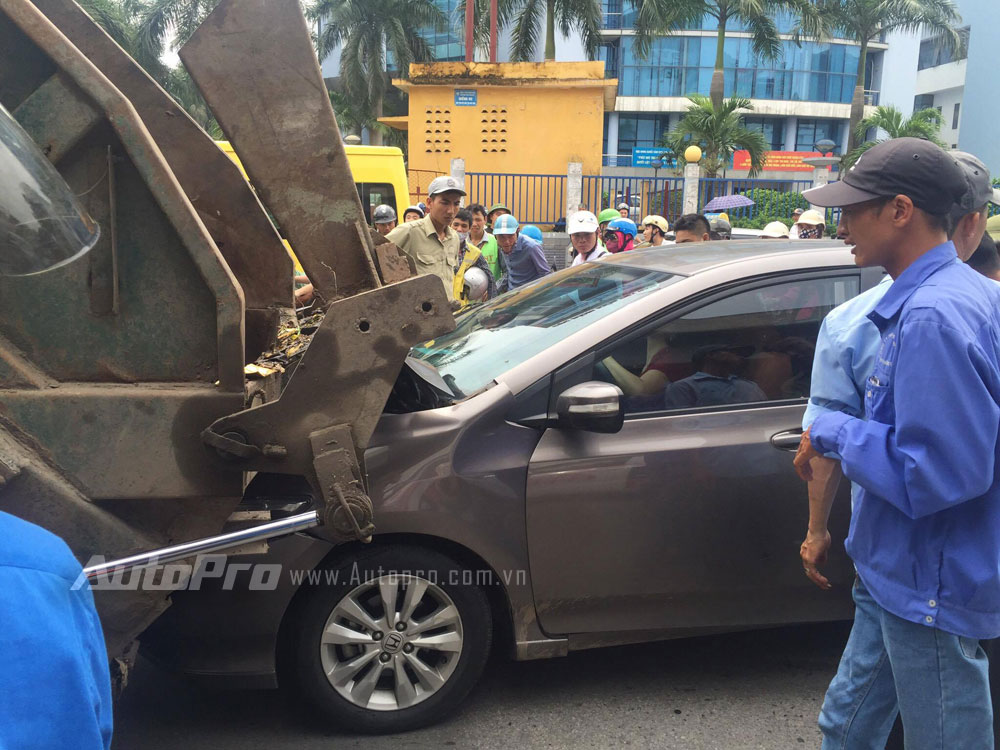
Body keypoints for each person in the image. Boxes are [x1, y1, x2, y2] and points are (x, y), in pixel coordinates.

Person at [792, 137, 1000, 749]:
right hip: (896, 570)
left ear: (901, 211)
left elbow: (937, 475)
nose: (841, 222)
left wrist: (832, 428)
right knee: (847, 721)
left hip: (926, 578)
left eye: (854, 207)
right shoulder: (959, 297)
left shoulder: (933, 315)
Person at [385, 176, 463, 300]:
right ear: (429, 203)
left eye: (456, 203)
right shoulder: (409, 232)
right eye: (445, 202)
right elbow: (374, 258)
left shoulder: (454, 238)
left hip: (446, 314)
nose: (451, 210)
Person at [662, 344, 766, 408]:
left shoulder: (749, 386)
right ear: (711, 356)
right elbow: (682, 424)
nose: (738, 356)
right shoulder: (684, 387)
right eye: (732, 352)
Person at [493, 214, 551, 292]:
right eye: (501, 237)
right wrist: (494, 289)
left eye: (510, 236)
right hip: (511, 295)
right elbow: (510, 272)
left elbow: (546, 275)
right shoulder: (500, 246)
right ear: (495, 236)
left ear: (517, 232)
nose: (506, 242)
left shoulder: (532, 247)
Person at [452, 207, 496, 306]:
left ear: (469, 228)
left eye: (464, 226)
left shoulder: (475, 253)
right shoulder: (439, 248)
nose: (459, 229)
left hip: (462, 308)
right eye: (456, 224)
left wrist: (492, 305)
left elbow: (490, 279)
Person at [468, 203, 501, 282]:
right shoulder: (461, 243)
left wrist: (494, 288)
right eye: (471, 220)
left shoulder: (496, 241)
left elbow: (506, 271)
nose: (474, 224)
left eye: (478, 220)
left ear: (485, 219)